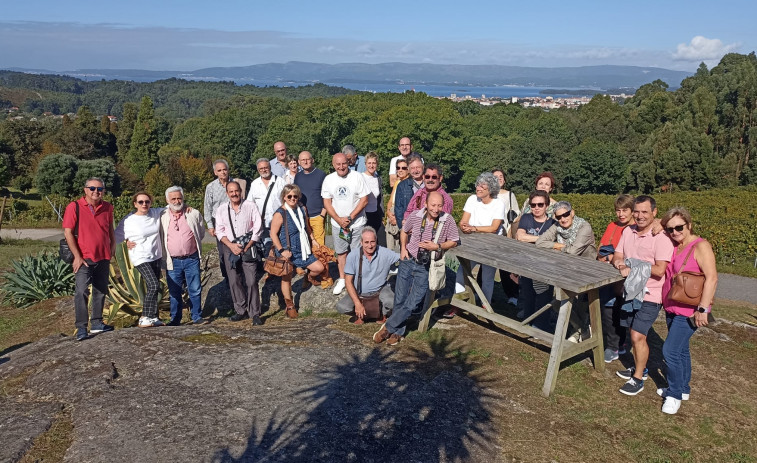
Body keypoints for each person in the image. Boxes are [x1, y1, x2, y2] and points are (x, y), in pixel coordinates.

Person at [373, 192, 460, 346]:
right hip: (408, 261)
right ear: (426, 204)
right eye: (433, 205)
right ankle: (398, 333)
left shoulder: (447, 220)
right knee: (400, 299)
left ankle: (388, 327)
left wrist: (437, 246)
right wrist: (403, 250)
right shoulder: (415, 215)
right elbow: (404, 231)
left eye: (439, 205)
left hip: (426, 266)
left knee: (413, 302)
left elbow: (454, 241)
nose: (436, 209)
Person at [612, 195, 674, 396]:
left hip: (650, 294)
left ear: (654, 213)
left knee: (638, 335)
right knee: (633, 332)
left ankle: (638, 378)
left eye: (644, 212)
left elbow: (659, 270)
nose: (639, 216)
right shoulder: (627, 232)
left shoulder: (662, 238)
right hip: (630, 291)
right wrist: (620, 263)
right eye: (636, 211)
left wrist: (632, 268)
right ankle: (642, 368)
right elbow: (618, 255)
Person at [658, 207, 717, 414]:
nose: (674, 232)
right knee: (681, 350)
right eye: (670, 229)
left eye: (679, 227)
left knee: (670, 351)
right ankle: (683, 388)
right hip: (673, 306)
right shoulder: (675, 245)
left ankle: (673, 395)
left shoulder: (701, 246)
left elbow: (712, 278)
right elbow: (656, 223)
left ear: (689, 225)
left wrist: (703, 309)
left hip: (691, 310)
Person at [62, 177, 116, 341]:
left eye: (100, 189)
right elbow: (68, 232)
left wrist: (113, 245)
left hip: (103, 256)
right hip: (84, 258)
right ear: (85, 190)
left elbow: (110, 229)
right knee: (81, 292)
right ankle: (81, 328)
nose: (96, 192)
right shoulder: (75, 207)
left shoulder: (107, 207)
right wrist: (77, 257)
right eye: (92, 188)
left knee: (100, 290)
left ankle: (97, 323)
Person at [270, 184, 326, 318]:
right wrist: (282, 250)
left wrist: (313, 239)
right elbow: (273, 234)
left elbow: (306, 227)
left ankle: (309, 277)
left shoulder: (301, 209)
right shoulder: (280, 213)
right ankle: (289, 305)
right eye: (289, 196)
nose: (293, 198)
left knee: (319, 267)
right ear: (284, 197)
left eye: (295, 196)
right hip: (287, 250)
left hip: (302, 248)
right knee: (287, 277)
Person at [215, 181, 264, 326]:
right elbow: (219, 231)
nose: (234, 194)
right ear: (227, 193)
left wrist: (248, 245)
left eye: (236, 191)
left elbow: (258, 227)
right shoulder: (221, 210)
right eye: (231, 192)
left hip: (248, 246)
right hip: (229, 247)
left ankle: (254, 313)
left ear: (240, 191)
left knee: (251, 281)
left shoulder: (250, 206)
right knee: (234, 280)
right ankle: (240, 310)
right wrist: (231, 246)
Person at [321, 152, 369, 295]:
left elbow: (364, 199)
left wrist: (350, 217)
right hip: (338, 225)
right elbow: (327, 202)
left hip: (357, 223)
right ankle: (342, 279)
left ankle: (357, 279)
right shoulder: (328, 179)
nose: (341, 167)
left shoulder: (357, 177)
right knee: (341, 253)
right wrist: (338, 219)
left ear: (348, 163)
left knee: (357, 252)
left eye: (344, 163)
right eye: (338, 164)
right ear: (333, 164)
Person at [455, 172, 505, 310]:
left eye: (482, 186)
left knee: (487, 277)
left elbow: (494, 228)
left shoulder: (498, 204)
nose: (478, 188)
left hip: (491, 245)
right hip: (472, 243)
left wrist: (474, 228)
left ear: (491, 189)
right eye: (478, 184)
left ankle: (485, 305)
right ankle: (459, 303)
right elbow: (463, 220)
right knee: (462, 272)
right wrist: (464, 226)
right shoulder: (472, 199)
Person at [115, 192, 164, 328]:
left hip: (156, 255)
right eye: (141, 202)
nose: (144, 204)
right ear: (135, 204)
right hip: (140, 256)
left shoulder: (155, 213)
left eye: (147, 201)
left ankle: (154, 317)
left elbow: (173, 205)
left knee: (153, 286)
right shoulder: (129, 220)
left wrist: (187, 207)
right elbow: (115, 236)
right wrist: (126, 241)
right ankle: (145, 316)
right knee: (154, 284)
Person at [161, 186, 207, 325]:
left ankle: (196, 316)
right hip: (173, 261)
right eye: (173, 198)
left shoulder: (193, 213)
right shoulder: (162, 215)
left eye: (179, 198)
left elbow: (201, 232)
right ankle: (175, 319)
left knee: (195, 289)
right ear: (167, 200)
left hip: (191, 258)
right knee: (174, 291)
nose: (176, 201)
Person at [597, 194, 635, 363]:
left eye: (624, 210)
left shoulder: (635, 228)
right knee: (607, 309)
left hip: (626, 275)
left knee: (619, 310)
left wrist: (611, 256)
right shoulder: (612, 226)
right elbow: (600, 249)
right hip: (607, 273)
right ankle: (614, 343)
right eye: (618, 211)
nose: (620, 214)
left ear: (632, 211)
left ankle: (616, 345)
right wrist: (608, 256)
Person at [337, 227, 399, 324]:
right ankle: (362, 313)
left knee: (391, 302)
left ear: (376, 241)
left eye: (372, 242)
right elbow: (348, 281)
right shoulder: (353, 255)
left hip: (380, 291)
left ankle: (382, 314)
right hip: (359, 293)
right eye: (366, 242)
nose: (370, 246)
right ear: (361, 242)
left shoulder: (385, 253)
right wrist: (357, 303)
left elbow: (403, 257)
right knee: (342, 307)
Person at [515, 190, 557, 331]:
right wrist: (544, 240)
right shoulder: (526, 218)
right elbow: (520, 237)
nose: (536, 208)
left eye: (540, 204)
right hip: (527, 262)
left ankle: (541, 326)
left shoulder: (553, 222)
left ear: (547, 205)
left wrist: (531, 239)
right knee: (528, 294)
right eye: (533, 205)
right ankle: (527, 323)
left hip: (546, 264)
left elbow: (555, 244)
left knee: (544, 297)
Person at [204, 159, 245, 280]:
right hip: (220, 222)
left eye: (225, 169)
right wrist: (210, 226)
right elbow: (207, 207)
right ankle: (227, 276)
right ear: (215, 172)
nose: (223, 172)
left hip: (237, 219)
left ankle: (239, 272)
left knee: (238, 246)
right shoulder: (211, 187)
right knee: (223, 251)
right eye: (220, 170)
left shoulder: (236, 183)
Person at [492, 168, 520, 303]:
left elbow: (516, 216)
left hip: (505, 234)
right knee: (487, 264)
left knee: (505, 268)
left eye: (501, 176)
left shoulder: (510, 195)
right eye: (495, 176)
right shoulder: (488, 195)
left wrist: (510, 234)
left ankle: (512, 295)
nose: (499, 178)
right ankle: (481, 292)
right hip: (491, 234)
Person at [248, 158, 284, 256]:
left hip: (279, 222)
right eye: (261, 169)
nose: (264, 170)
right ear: (258, 170)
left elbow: (286, 202)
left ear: (270, 167)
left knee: (280, 247)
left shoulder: (280, 182)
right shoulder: (255, 184)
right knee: (267, 249)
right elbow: (250, 204)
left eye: (266, 167)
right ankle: (270, 269)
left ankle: (282, 269)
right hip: (262, 223)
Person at [294, 151, 328, 246]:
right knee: (305, 246)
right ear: (299, 162)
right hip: (303, 217)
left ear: (312, 160)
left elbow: (328, 196)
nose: (305, 162)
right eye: (302, 160)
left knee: (319, 247)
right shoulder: (298, 176)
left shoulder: (321, 175)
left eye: (307, 159)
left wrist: (322, 215)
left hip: (317, 216)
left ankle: (321, 262)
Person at [393, 154, 425, 229]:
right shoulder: (402, 186)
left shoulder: (429, 184)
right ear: (408, 169)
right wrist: (404, 227)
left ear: (423, 167)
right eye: (413, 168)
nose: (416, 170)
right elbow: (398, 209)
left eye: (418, 167)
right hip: (409, 226)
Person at [385, 158, 409, 251]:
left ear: (408, 170)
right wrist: (389, 214)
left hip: (400, 217)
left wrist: (397, 218)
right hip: (392, 215)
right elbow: (390, 201)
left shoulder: (409, 184)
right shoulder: (397, 182)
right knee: (390, 247)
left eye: (403, 168)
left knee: (401, 247)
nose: (400, 170)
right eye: (398, 168)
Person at [363, 151, 384, 233]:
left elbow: (380, 198)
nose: (371, 166)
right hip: (364, 215)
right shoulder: (361, 177)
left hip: (376, 214)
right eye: (369, 163)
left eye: (374, 163)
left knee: (381, 242)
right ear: (365, 164)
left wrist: (382, 215)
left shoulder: (378, 178)